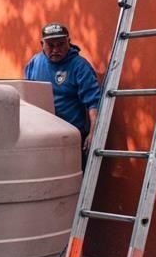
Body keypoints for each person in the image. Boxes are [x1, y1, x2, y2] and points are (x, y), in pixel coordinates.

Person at [24, 22, 101, 169]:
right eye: (50, 45)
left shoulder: (79, 66)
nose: (56, 50)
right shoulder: (35, 63)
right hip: (41, 138)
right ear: (42, 44)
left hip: (71, 138)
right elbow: (26, 97)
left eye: (60, 44)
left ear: (69, 42)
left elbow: (94, 103)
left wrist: (93, 133)